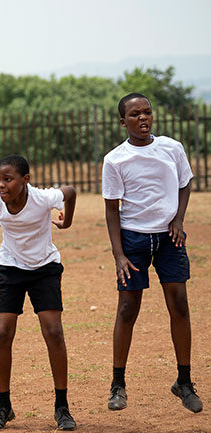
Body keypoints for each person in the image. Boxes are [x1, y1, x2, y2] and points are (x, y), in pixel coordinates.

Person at [102, 93, 202, 413]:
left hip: (170, 238)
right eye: (135, 114)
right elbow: (111, 209)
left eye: (147, 112)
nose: (143, 118)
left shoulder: (172, 148)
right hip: (133, 239)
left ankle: (184, 381)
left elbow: (185, 184)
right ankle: (118, 384)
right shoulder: (115, 160)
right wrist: (118, 255)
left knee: (180, 304)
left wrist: (178, 219)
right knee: (127, 309)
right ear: (123, 122)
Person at [0, 155, 77, 431]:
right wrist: (3, 222)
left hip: (45, 267)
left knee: (53, 331)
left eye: (7, 179)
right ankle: (4, 406)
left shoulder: (43, 199)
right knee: (2, 332)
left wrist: (67, 222)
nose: (0, 185)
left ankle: (62, 407)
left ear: (26, 180)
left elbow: (70, 192)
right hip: (9, 268)